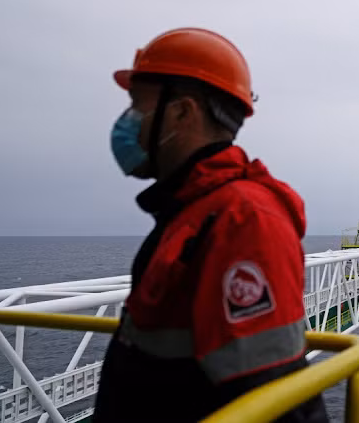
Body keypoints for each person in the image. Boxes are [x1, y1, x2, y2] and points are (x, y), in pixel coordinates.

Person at [94, 28, 328, 422]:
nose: (127, 123)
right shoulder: (194, 210)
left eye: (137, 107)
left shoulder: (243, 219)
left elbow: (275, 403)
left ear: (182, 112)